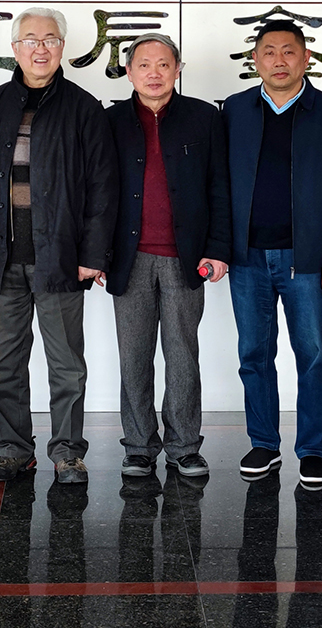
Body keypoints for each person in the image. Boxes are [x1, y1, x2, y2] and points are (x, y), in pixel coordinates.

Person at [0, 7, 118, 485]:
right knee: (2, 365)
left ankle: (67, 453)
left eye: (49, 39)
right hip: (1, 257)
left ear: (62, 47)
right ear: (14, 48)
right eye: (30, 40)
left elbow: (103, 188)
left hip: (61, 258)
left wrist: (92, 255)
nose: (40, 48)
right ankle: (12, 450)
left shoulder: (84, 108)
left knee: (66, 365)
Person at [223, 19, 322, 491]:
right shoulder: (234, 110)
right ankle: (264, 442)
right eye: (269, 52)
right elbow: (219, 185)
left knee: (313, 355)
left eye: (288, 51)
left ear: (306, 58)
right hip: (247, 258)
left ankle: (313, 451)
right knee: (253, 353)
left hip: (308, 259)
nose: (279, 61)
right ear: (255, 60)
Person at [105, 33, 230, 478]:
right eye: (144, 65)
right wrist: (97, 254)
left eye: (163, 64)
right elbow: (96, 193)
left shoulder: (203, 118)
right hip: (129, 257)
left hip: (185, 257)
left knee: (182, 355)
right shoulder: (110, 121)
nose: (154, 73)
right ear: (128, 72)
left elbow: (220, 187)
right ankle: (139, 446)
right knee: (133, 357)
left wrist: (217, 249)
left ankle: (184, 446)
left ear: (178, 69)